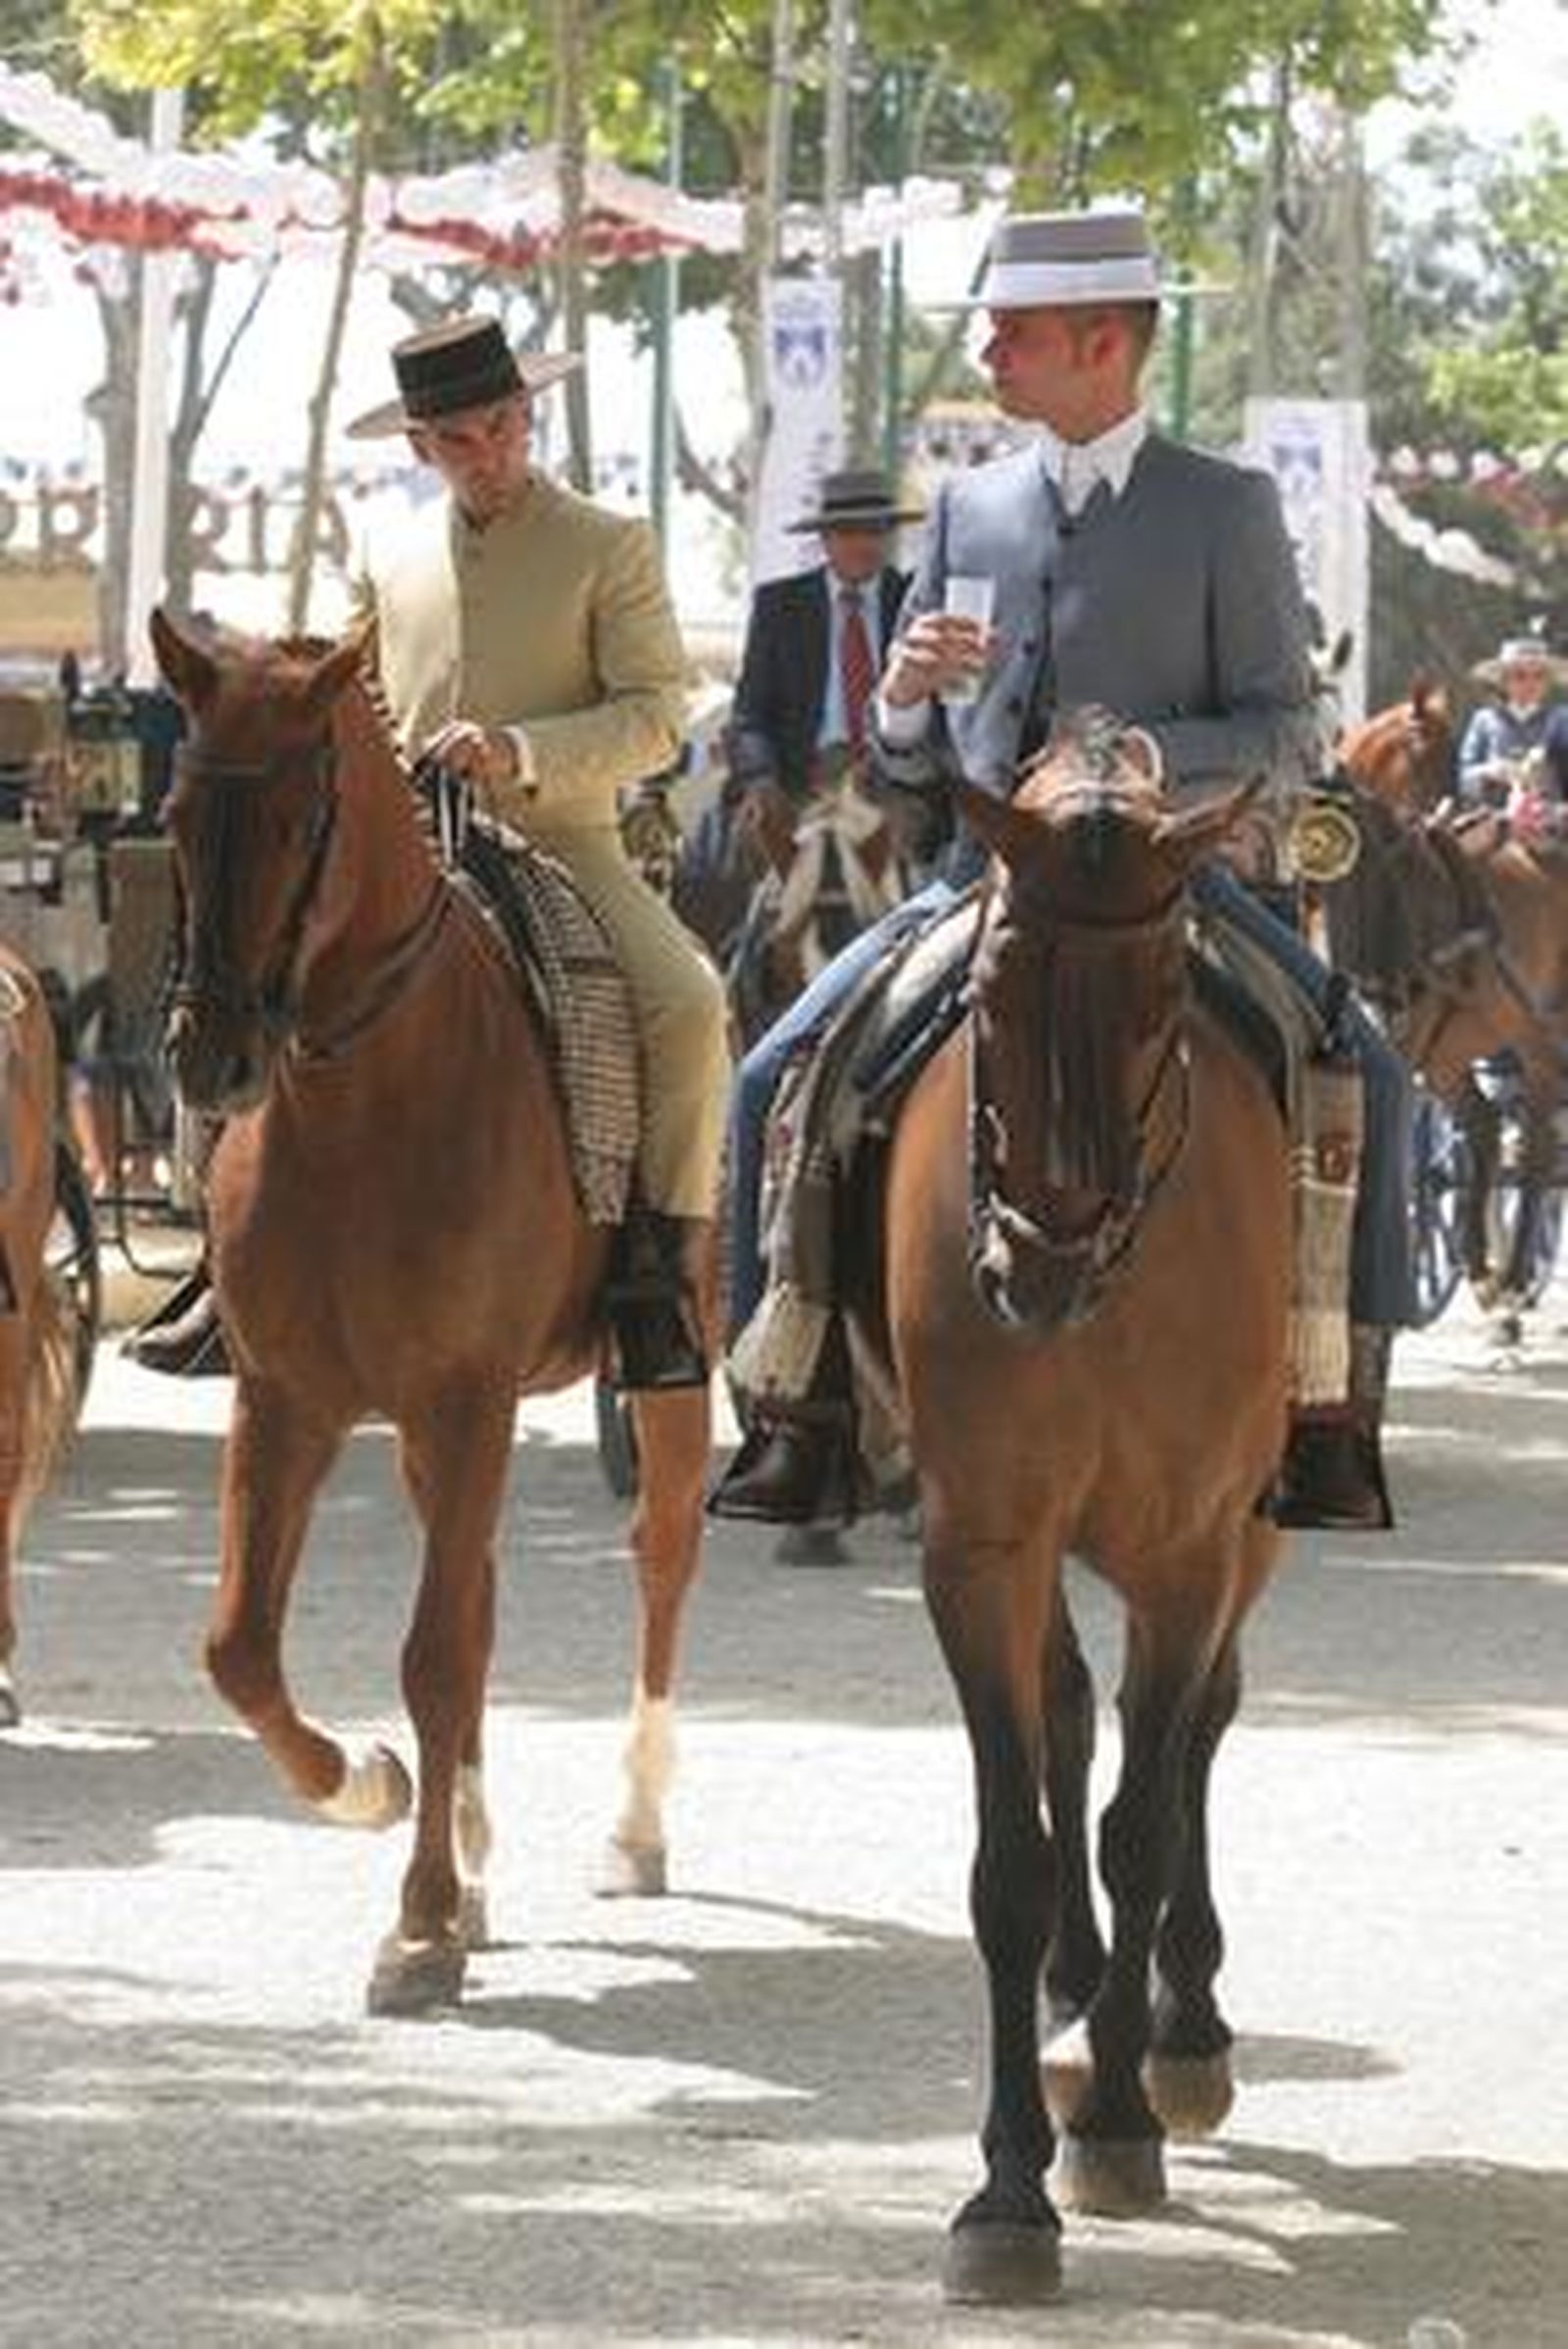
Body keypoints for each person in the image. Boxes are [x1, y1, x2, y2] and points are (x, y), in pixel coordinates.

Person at [710, 204, 1409, 1534]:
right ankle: (797, 1410)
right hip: (985, 885)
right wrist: (906, 703)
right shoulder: (969, 507)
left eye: (1013, 332)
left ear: (1103, 343)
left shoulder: (1228, 507)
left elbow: (1284, 732)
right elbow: (913, 771)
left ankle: (1330, 1412)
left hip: (1174, 888)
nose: (989, 351)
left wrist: (1133, 757)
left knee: (1367, 1068)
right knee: (772, 1073)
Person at [131, 315, 730, 1386]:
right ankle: (227, 1263)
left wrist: (519, 749)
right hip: (400, 845)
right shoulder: (385, 549)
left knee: (688, 1004)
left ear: (527, 415)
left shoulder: (610, 543)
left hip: (563, 837)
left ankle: (658, 1268)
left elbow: (657, 720)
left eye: (502, 425)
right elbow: (339, 701)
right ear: (420, 447)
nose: (488, 451)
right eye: (458, 438)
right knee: (236, 965)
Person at [727, 465, 917, 803]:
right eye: (847, 532)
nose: (861, 543)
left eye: (874, 530)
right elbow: (750, 714)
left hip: (896, 785)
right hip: (800, 784)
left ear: (890, 535)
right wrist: (759, 779)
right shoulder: (779, 605)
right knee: (735, 835)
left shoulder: (916, 603)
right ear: (824, 539)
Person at [1457, 635, 1566, 806]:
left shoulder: (1560, 719)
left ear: (1547, 683)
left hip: (1549, 812)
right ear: (1504, 682)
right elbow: (1464, 776)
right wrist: (1492, 771)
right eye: (1520, 676)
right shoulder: (1484, 720)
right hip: (1492, 812)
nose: (1530, 684)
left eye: (1538, 677)